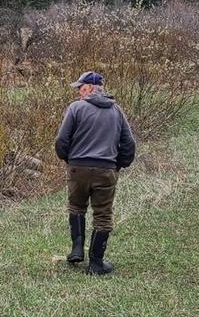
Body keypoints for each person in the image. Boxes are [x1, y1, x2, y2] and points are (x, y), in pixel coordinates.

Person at [55, 71, 136, 275]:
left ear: (90, 88)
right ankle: (96, 264)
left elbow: (61, 141)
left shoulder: (75, 108)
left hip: (77, 168)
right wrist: (118, 165)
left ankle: (76, 250)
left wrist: (69, 159)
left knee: (76, 206)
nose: (79, 93)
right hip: (106, 169)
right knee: (103, 215)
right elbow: (129, 144)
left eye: (81, 88)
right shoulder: (117, 111)